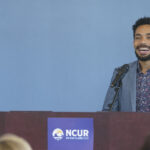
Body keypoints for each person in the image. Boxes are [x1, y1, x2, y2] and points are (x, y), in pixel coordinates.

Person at [103, 17, 150, 112]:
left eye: (149, 37)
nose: (142, 42)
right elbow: (107, 114)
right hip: (128, 127)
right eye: (138, 37)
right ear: (133, 43)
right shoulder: (121, 73)